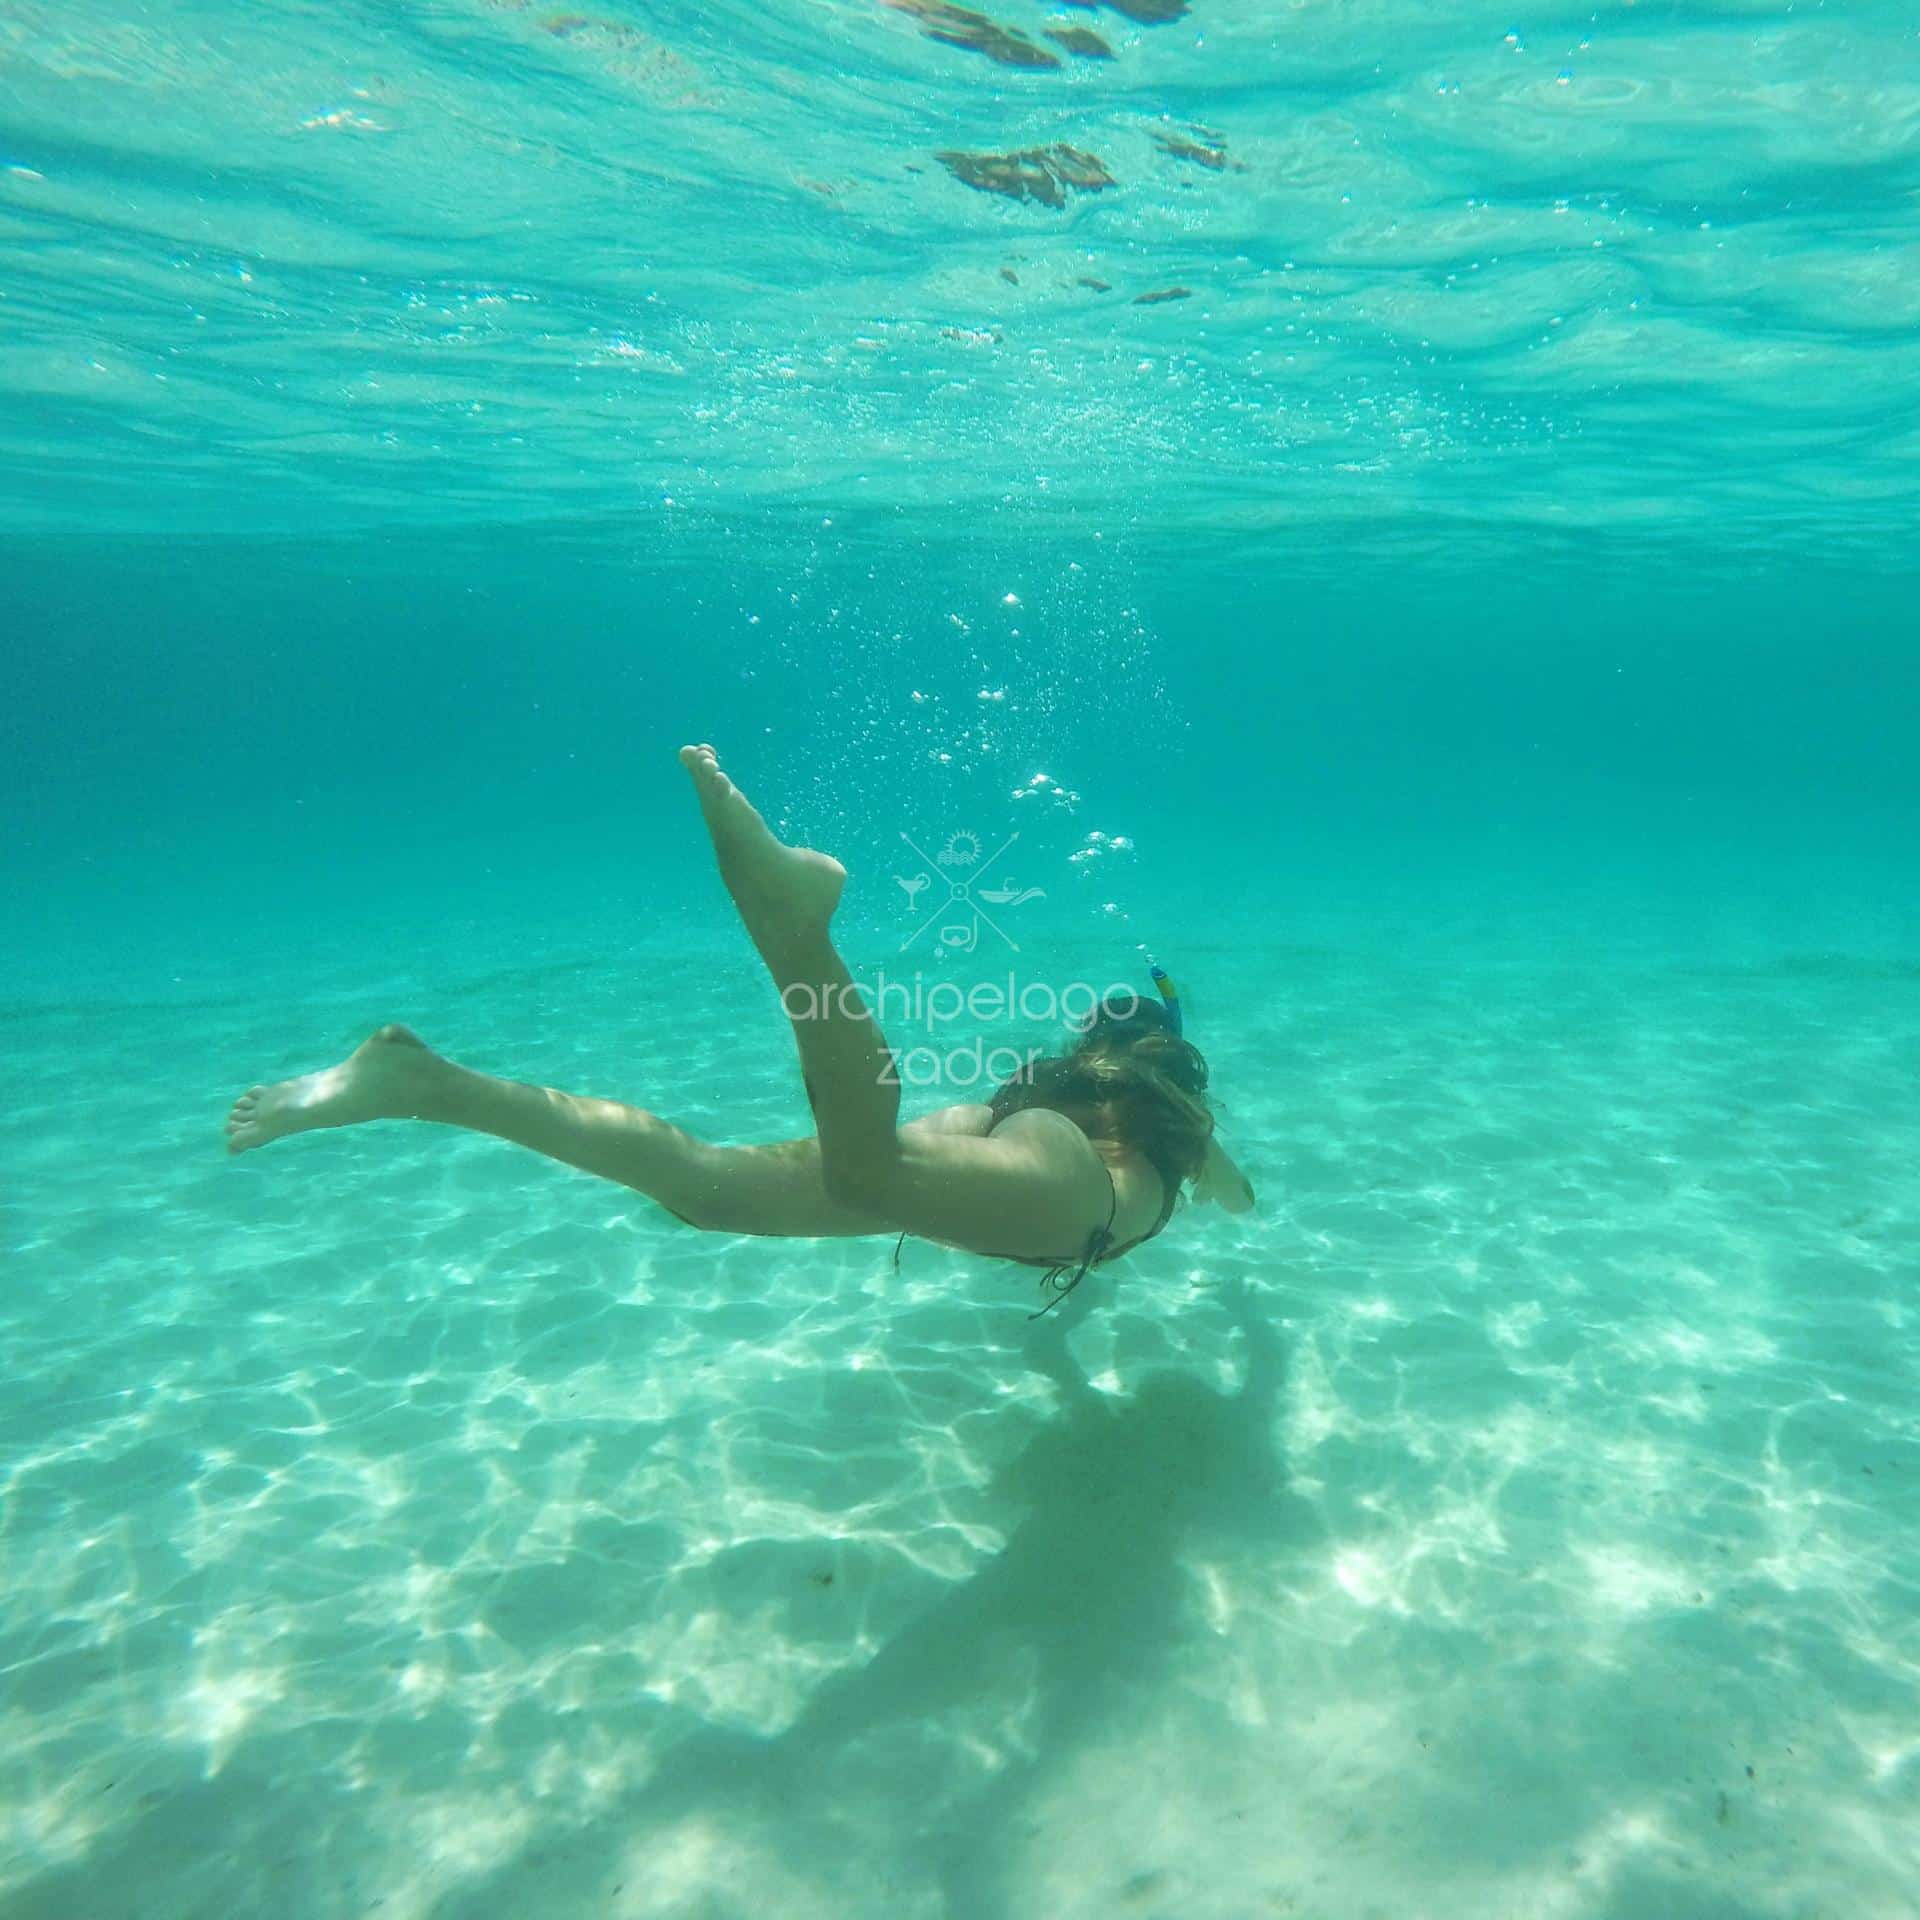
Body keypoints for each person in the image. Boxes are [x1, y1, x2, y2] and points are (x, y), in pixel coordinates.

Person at [226, 745, 1255, 1310]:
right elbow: (1231, 1194)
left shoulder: (1061, 1090)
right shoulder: (1178, 1126)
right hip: (1070, 1198)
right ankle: (798, 933)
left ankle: (426, 1084)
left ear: (1090, 1047)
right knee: (866, 1181)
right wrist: (1236, 1207)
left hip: (990, 1134)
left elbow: (1021, 1127)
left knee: (709, 1190)